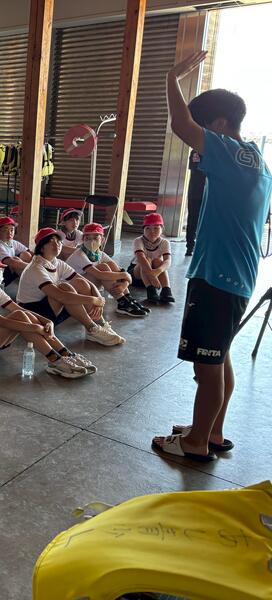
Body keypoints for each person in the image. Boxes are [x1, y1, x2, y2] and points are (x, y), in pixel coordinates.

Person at [152, 51, 272, 462]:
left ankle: (196, 442)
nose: (197, 142)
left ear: (220, 126)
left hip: (218, 276)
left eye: (204, 129)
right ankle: (212, 431)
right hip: (235, 275)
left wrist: (172, 77)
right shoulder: (256, 161)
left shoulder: (230, 152)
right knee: (218, 358)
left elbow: (180, 124)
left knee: (206, 366)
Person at [0, 253, 93, 377]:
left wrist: (46, 321)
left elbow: (19, 309)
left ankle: (66, 354)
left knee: (23, 315)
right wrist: (36, 328)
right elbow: (2, 322)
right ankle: (55, 361)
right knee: (20, 317)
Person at [16, 228, 124, 346]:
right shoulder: (36, 268)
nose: (57, 244)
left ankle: (100, 324)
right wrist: (93, 299)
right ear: (41, 248)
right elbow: (60, 296)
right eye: (51, 242)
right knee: (65, 288)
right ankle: (92, 328)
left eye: (58, 241)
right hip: (32, 314)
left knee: (80, 283)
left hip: (51, 308)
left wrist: (99, 299)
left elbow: (84, 281)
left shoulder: (57, 263)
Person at [65, 223, 148, 318]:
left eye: (95, 238)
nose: (91, 241)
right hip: (74, 289)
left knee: (110, 265)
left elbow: (118, 270)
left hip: (90, 285)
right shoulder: (79, 254)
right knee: (103, 268)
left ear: (102, 240)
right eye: (87, 238)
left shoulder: (99, 254)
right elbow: (99, 274)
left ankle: (128, 298)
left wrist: (124, 284)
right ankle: (122, 301)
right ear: (83, 240)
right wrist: (126, 276)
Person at [127, 213, 175, 304]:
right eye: (148, 228)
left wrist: (157, 271)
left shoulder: (165, 242)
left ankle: (166, 290)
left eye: (156, 228)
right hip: (137, 276)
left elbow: (168, 261)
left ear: (162, 229)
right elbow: (141, 258)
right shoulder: (138, 241)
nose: (152, 231)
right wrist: (152, 277)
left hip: (155, 275)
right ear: (143, 230)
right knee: (146, 259)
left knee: (158, 261)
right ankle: (151, 290)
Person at [0, 216, 32, 287]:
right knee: (15, 261)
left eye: (12, 230)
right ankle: (30, 286)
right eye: (5, 230)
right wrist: (34, 267)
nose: (9, 233)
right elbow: (13, 263)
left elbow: (30, 252)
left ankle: (31, 282)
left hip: (4, 272)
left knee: (26, 255)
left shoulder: (11, 242)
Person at [185, 149, 206, 256]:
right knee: (193, 220)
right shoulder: (195, 151)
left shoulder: (216, 151)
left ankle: (202, 246)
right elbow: (196, 168)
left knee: (206, 221)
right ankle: (190, 246)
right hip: (195, 193)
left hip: (209, 193)